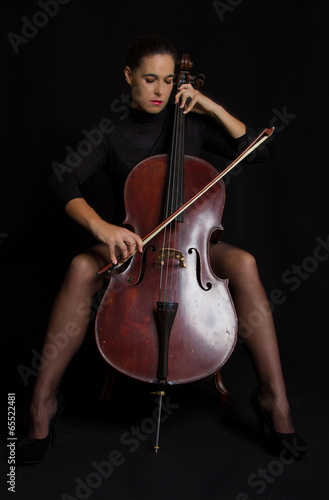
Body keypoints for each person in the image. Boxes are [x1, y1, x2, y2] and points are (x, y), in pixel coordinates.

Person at [17, 34, 306, 464]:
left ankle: (273, 400)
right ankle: (42, 402)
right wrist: (102, 227)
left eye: (169, 81)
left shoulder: (192, 121)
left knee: (244, 263)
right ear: (129, 76)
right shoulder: (110, 133)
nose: (160, 90)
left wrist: (209, 105)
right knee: (81, 267)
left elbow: (256, 153)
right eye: (150, 79)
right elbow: (62, 177)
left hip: (192, 248)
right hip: (135, 249)